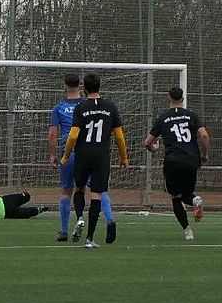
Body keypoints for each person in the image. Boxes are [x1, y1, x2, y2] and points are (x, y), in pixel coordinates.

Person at [60, 73, 129, 248]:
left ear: (85, 88)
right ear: (99, 87)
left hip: (83, 154)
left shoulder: (81, 107)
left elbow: (73, 135)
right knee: (97, 194)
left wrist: (66, 156)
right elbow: (119, 136)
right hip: (101, 156)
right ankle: (89, 238)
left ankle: (80, 218)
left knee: (79, 188)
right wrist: (124, 157)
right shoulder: (110, 107)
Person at [48, 74, 116, 242]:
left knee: (67, 191)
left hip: (69, 153)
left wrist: (53, 155)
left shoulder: (59, 108)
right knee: (98, 190)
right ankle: (110, 220)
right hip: (88, 152)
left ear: (64, 86)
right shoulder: (88, 106)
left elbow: (52, 134)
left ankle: (64, 231)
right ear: (80, 86)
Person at [144, 86, 209, 241]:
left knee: (176, 197)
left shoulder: (163, 118)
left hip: (173, 160)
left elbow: (147, 142)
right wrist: (204, 154)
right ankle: (195, 200)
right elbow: (204, 135)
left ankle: (187, 230)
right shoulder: (192, 115)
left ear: (168, 98)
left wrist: (155, 149)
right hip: (191, 159)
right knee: (187, 195)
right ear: (183, 99)